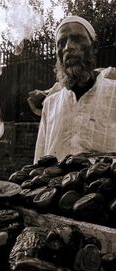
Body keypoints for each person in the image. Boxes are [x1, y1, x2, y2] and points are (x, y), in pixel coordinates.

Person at [32, 15, 116, 164]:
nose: (68, 47)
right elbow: (39, 164)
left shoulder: (113, 93)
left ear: (94, 47)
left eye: (77, 39)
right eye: (61, 43)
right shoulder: (50, 104)